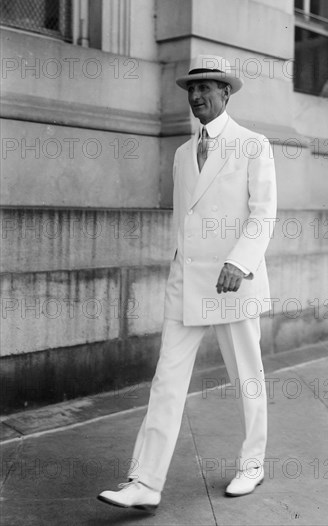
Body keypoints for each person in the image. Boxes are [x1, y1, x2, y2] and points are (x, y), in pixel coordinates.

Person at [98, 54, 277, 513]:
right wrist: (178, 266)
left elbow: (263, 214)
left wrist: (239, 263)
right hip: (188, 281)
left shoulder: (253, 145)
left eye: (207, 88)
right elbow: (186, 221)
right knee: (167, 380)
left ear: (226, 93)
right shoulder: (182, 154)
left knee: (246, 377)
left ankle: (252, 463)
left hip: (232, 282)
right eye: (191, 90)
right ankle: (145, 481)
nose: (196, 96)